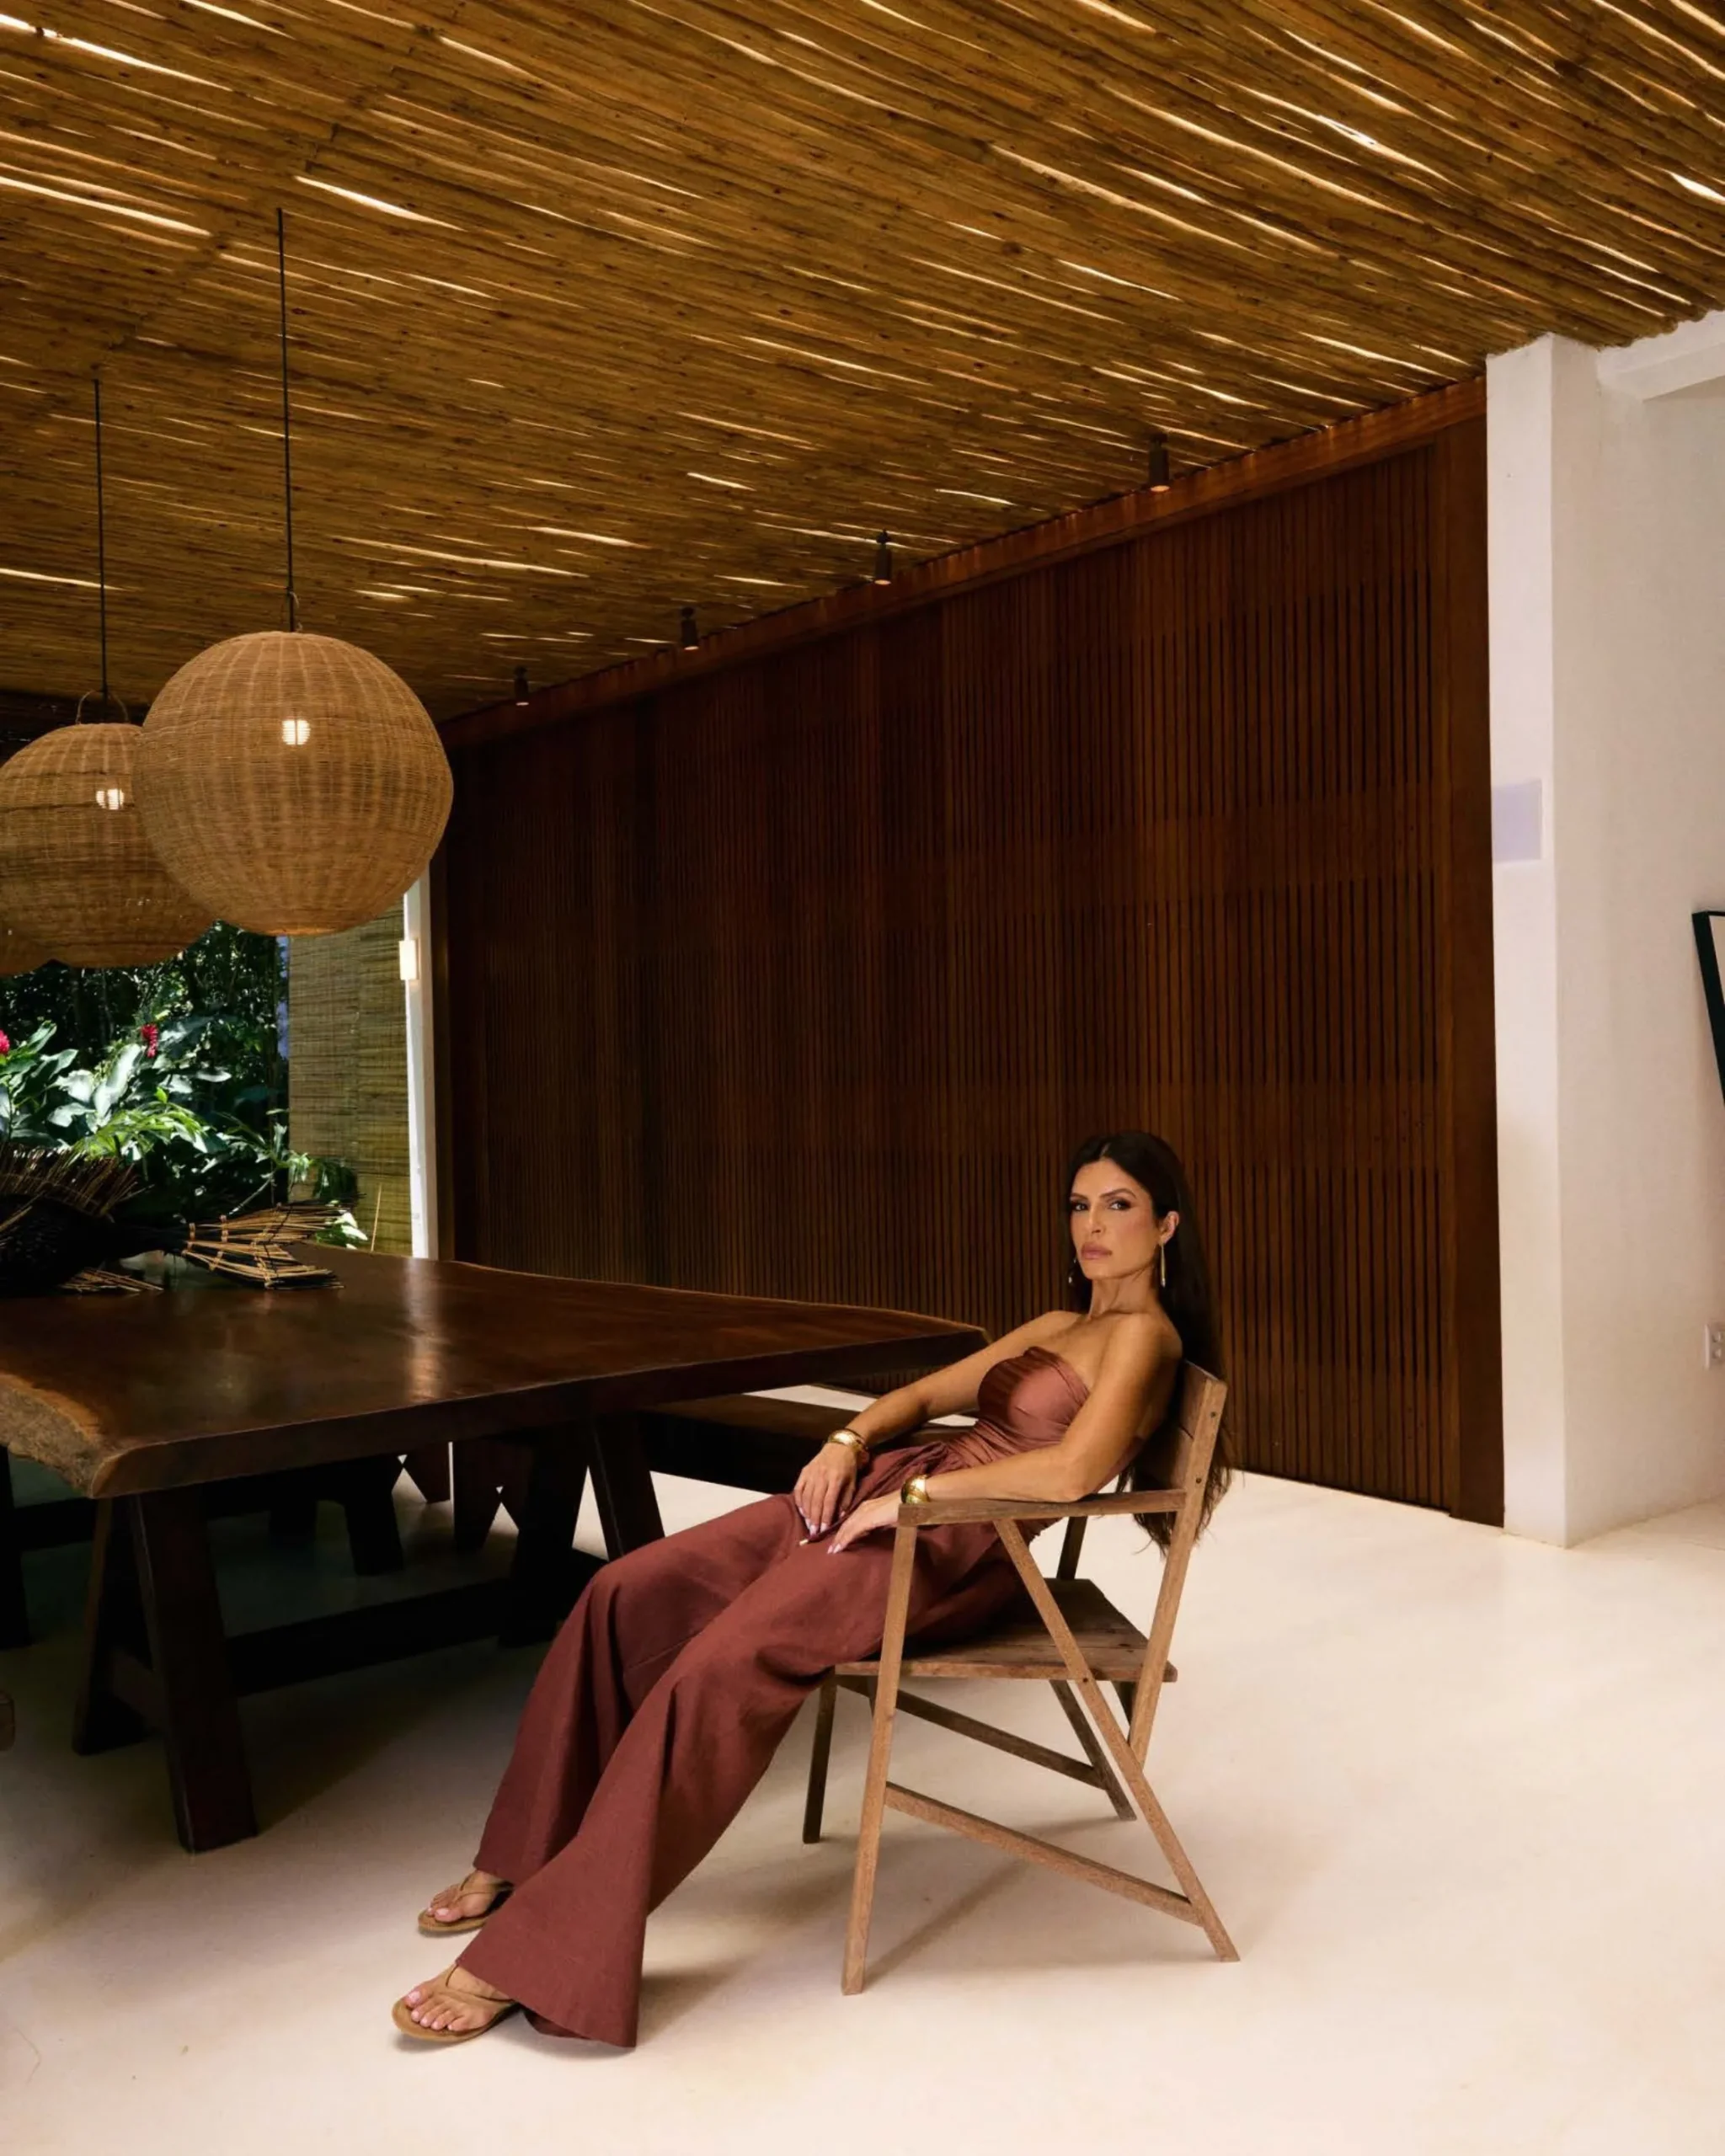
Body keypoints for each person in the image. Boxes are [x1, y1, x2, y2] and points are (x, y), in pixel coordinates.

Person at [394, 1130, 1230, 2046]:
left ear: (1165, 1226)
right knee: (624, 1590)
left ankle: (547, 1952)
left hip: (959, 1543)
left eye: (1118, 1205)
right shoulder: (1057, 1324)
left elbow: (1070, 1471)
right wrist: (848, 1442)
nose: (1093, 1225)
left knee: (718, 1667)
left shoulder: (1145, 1338)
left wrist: (914, 1501)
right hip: (898, 1493)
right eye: (1079, 1205)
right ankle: (522, 1853)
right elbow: (920, 1398)